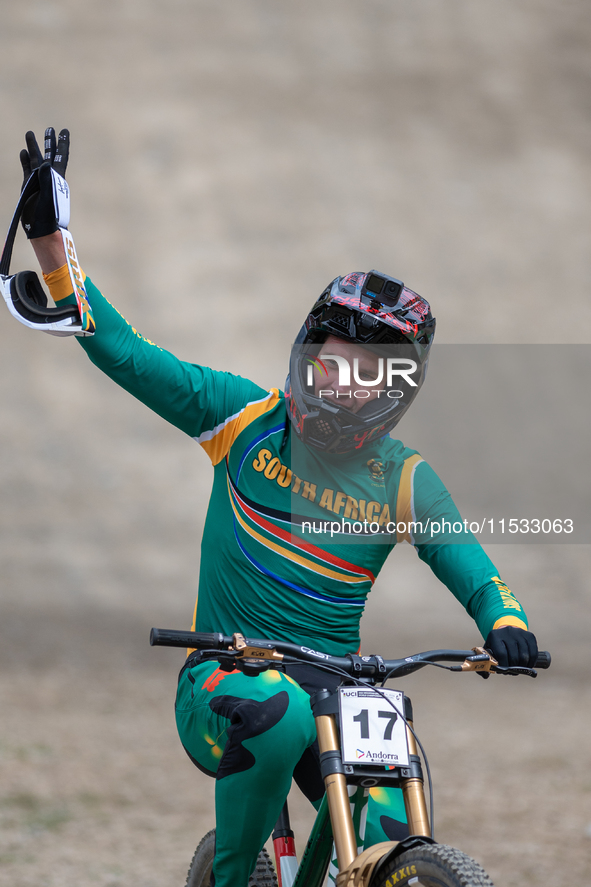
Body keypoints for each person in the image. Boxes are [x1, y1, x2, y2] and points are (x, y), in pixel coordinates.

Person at [15, 128, 538, 887]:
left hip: (337, 686)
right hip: (225, 681)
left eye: (371, 372)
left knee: (389, 747)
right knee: (276, 705)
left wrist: (505, 622)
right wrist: (50, 242)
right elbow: (125, 352)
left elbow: (469, 562)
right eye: (331, 358)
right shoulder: (240, 418)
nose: (344, 381)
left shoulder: (405, 478)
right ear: (304, 348)